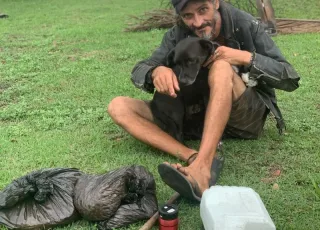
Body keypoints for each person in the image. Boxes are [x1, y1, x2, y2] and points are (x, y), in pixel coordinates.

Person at [107, 0, 300, 199]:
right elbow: (140, 68)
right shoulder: (177, 34)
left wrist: (244, 57)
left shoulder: (245, 24)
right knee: (118, 106)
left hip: (244, 118)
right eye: (188, 16)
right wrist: (156, 71)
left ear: (215, 2)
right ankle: (192, 156)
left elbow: (290, 77)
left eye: (202, 10)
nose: (197, 22)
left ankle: (203, 168)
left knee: (221, 67)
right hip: (196, 118)